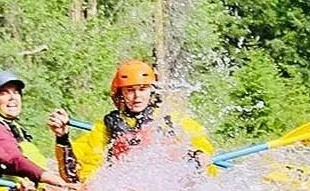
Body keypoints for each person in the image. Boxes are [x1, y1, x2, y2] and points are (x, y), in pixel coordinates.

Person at [46, 60, 214, 183]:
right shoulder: (106, 126)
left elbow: (199, 141)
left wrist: (199, 153)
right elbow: (76, 173)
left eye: (143, 89)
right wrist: (62, 138)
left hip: (166, 189)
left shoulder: (170, 118)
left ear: (151, 91)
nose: (137, 96)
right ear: (121, 94)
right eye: (130, 90)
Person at [0, 69, 76, 191]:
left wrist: (62, 137)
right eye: (4, 93)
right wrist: (51, 179)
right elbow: (14, 160)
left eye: (16, 92)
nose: (12, 97)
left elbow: (71, 175)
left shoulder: (17, 130)